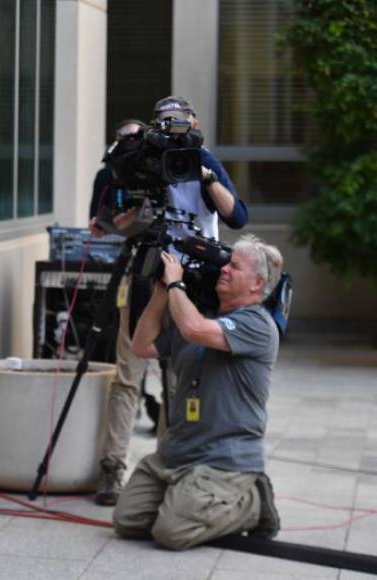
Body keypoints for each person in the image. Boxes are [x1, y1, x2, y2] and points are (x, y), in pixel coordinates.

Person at [91, 96, 248, 506]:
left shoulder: (206, 160)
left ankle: (169, 468)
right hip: (147, 273)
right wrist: (134, 209)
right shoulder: (145, 161)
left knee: (180, 380)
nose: (175, 128)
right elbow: (112, 222)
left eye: (181, 120)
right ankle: (112, 468)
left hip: (194, 280)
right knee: (128, 374)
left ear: (195, 122)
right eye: (166, 121)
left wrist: (205, 176)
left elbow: (238, 218)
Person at [113, 234, 283, 549]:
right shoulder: (197, 315)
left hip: (224, 460)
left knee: (171, 533)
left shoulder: (258, 325)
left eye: (235, 267)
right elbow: (141, 346)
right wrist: (162, 291)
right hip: (176, 454)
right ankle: (187, 498)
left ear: (257, 284)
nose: (224, 270)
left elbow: (194, 330)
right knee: (127, 521)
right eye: (226, 264)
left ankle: (252, 505)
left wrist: (177, 285)